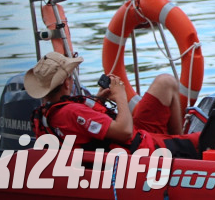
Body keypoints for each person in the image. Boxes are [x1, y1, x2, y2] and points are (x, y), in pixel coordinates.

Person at [25, 52, 201, 157]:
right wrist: (120, 96)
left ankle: (178, 144)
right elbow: (123, 132)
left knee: (165, 82)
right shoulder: (70, 113)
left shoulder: (49, 113)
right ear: (66, 84)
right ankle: (180, 149)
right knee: (208, 138)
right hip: (138, 149)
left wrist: (99, 101)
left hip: (134, 138)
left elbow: (84, 131)